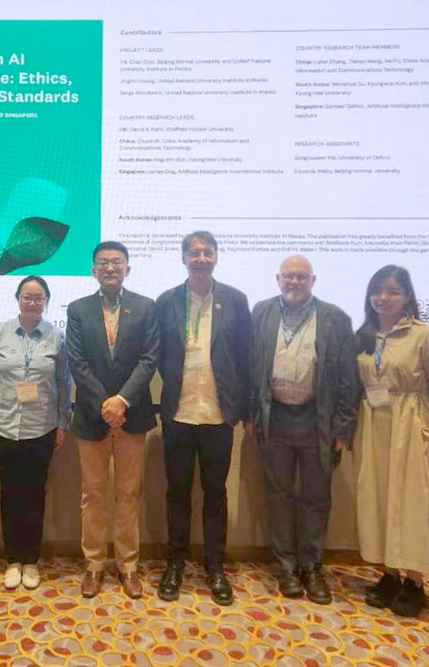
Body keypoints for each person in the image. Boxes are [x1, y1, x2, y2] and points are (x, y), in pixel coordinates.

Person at [248, 255, 358, 604]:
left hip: (317, 422)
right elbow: (252, 366)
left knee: (316, 498)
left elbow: (346, 377)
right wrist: (253, 415)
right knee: (278, 496)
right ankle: (285, 565)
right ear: (278, 279)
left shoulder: (335, 319)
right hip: (275, 419)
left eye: (301, 277)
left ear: (313, 280)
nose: (294, 282)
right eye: (289, 277)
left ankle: (311, 566)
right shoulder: (262, 312)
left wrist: (343, 426)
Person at [353, 265, 429, 617]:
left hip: (411, 425)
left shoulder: (424, 335)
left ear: (407, 296)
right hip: (373, 424)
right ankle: (389, 574)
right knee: (379, 499)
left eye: (392, 291)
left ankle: (414, 580)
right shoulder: (364, 335)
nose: (383, 298)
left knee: (412, 503)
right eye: (377, 291)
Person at [154, 231, 251, 605]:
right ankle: (174, 564)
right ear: (183, 258)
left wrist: (240, 409)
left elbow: (245, 357)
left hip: (217, 416)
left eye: (207, 252)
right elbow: (158, 354)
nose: (201, 258)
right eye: (194, 252)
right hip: (178, 415)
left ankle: (215, 566)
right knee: (177, 494)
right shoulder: (167, 301)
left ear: (216, 257)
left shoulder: (235, 300)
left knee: (215, 495)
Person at [67, 241, 160, 599]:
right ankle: (93, 564)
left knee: (128, 493)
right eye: (103, 263)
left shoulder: (146, 308)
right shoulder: (78, 309)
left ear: (127, 269)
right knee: (92, 494)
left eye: (116, 262)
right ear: (93, 269)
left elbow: (149, 359)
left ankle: (128, 566)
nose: (110, 268)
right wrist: (105, 403)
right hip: (92, 417)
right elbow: (77, 362)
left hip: (132, 416)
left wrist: (122, 400)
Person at [0, 275, 71, 590]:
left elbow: (64, 382)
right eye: (27, 297)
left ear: (46, 301)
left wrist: (63, 422)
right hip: (4, 424)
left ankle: (30, 559)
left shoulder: (56, 337)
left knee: (34, 494)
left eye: (38, 297)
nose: (32, 302)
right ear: (17, 298)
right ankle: (13, 560)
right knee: (9, 493)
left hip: (41, 427)